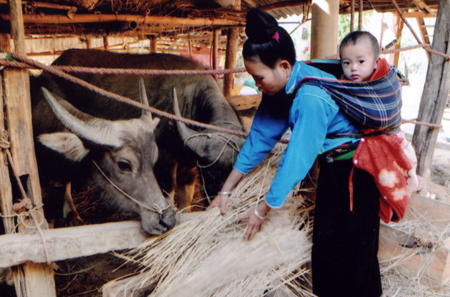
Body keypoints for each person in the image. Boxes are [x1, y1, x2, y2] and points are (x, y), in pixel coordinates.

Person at [207, 8, 383, 297]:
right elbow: (258, 140)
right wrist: (224, 192)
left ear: (285, 66)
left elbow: (297, 159)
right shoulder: (280, 90)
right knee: (325, 248)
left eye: (259, 77)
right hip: (332, 170)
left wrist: (261, 209)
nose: (256, 84)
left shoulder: (310, 96)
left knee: (357, 252)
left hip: (358, 172)